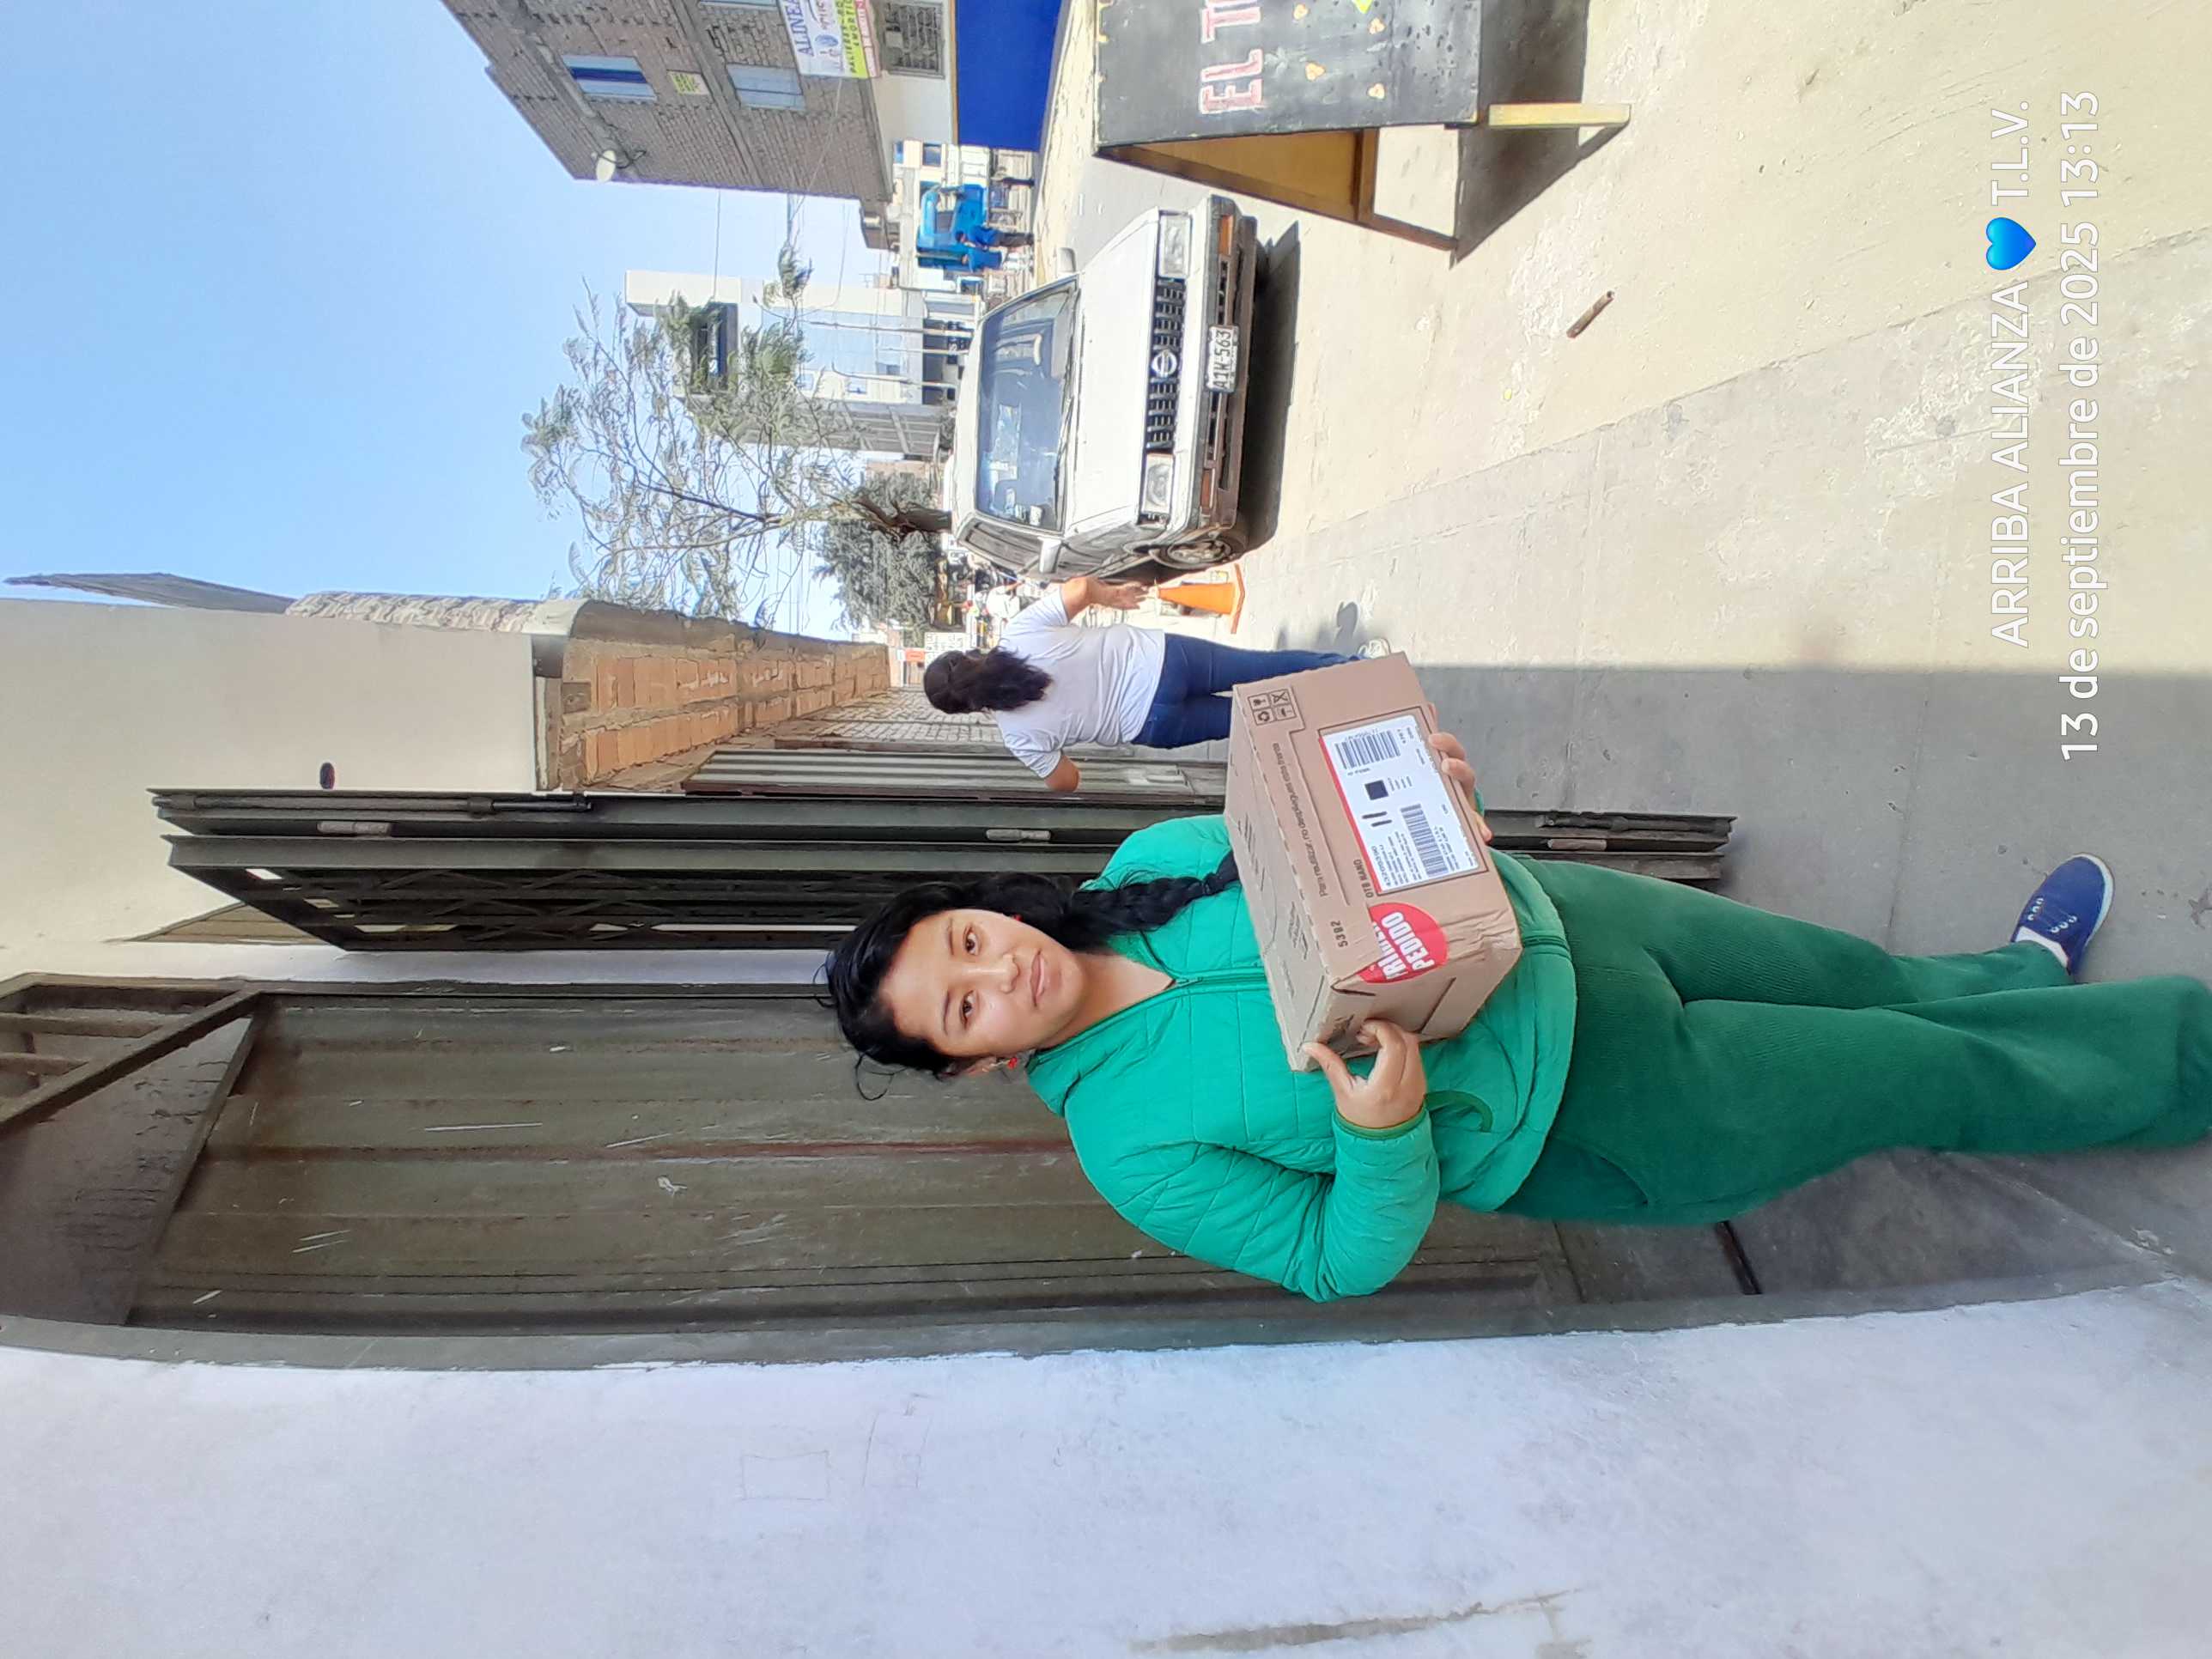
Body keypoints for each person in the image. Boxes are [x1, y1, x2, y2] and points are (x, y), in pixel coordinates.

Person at [827, 730, 2212, 1302]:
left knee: (1869, 981)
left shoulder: (1145, 866)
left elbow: (1358, 852)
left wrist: (1434, 796)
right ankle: (2176, 1060)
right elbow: (1331, 1259)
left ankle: (2019, 979)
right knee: (1918, 1073)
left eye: (968, 941)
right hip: (1600, 1103)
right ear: (976, 1059)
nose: (997, 971)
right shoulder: (1131, 1148)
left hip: (1577, 925)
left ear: (983, 906)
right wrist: (1381, 1136)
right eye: (962, 1006)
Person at [923, 574, 1370, 792]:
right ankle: (1360, 673)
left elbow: (1066, 781)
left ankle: (1357, 712)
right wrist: (1111, 595)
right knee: (1263, 668)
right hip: (1165, 661)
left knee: (1259, 717)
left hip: (1151, 724)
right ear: (968, 657)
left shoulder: (1019, 737)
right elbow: (1078, 588)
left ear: (967, 709)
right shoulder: (1020, 635)